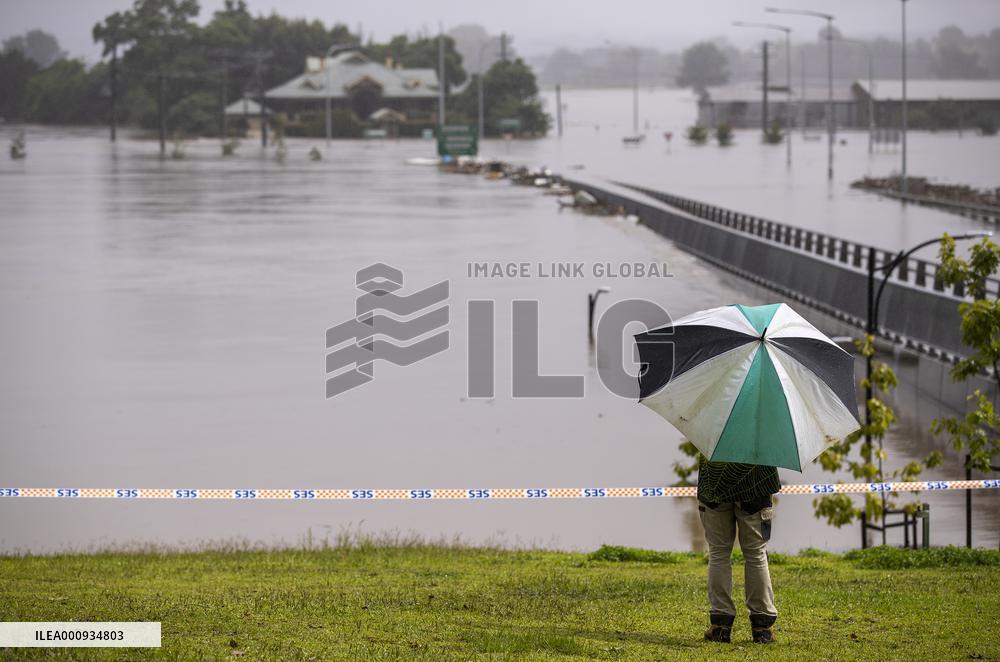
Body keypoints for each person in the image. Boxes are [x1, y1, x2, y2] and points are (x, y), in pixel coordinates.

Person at [697, 458, 780, 644]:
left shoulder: (712, 427)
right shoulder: (768, 427)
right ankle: (762, 628)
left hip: (715, 479)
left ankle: (720, 626)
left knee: (718, 553)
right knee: (756, 554)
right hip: (757, 481)